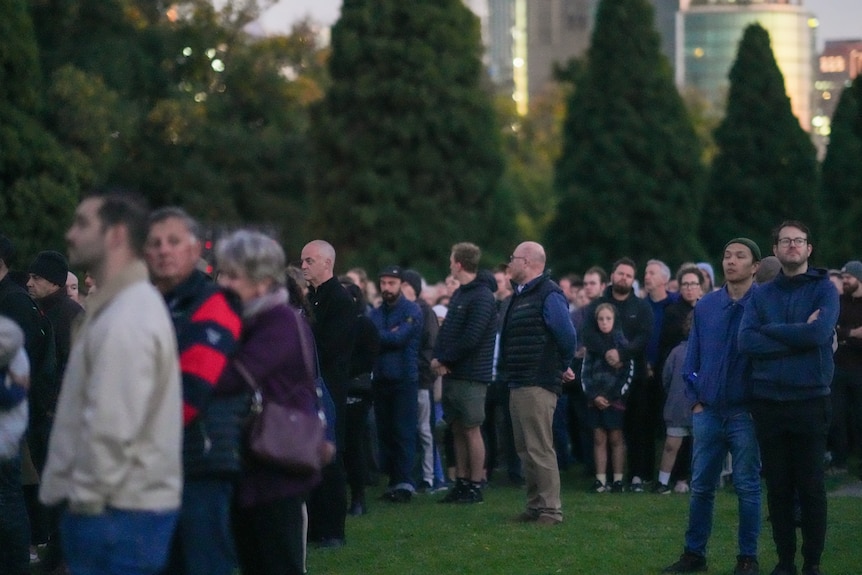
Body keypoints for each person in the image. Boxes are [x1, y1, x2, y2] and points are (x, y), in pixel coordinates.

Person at [40, 191, 182, 575]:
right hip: (114, 512)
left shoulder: (128, 317)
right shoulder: (118, 308)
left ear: (117, 235)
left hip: (116, 515)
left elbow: (112, 429)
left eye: (82, 224)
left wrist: (84, 508)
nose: (71, 234)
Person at [213, 230, 323, 575]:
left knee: (276, 561)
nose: (223, 283)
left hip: (276, 464)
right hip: (254, 461)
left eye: (233, 275)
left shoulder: (278, 321)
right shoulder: (252, 318)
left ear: (260, 279)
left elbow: (234, 377)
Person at [144, 207, 243, 575]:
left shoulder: (213, 303)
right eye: (155, 243)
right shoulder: (151, 304)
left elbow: (190, 394)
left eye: (174, 241)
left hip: (200, 459)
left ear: (194, 249)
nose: (164, 250)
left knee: (203, 564)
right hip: (158, 462)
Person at [739, 221, 839, 575]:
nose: (792, 246)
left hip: (810, 401)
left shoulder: (825, 290)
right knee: (778, 488)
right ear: (776, 249)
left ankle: (811, 562)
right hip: (768, 402)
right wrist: (797, 336)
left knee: (811, 487)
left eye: (799, 241)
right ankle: (785, 562)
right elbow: (746, 341)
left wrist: (773, 332)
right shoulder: (760, 294)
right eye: (785, 241)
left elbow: (818, 334)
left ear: (809, 248)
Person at [662, 237, 763, 575]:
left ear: (755, 266)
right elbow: (693, 357)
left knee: (747, 485)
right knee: (701, 486)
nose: (730, 261)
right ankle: (694, 555)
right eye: (726, 255)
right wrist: (695, 400)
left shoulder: (763, 304)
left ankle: (747, 558)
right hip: (708, 411)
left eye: (740, 256)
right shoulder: (705, 306)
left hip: (745, 413)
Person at [499, 242, 576, 525]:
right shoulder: (522, 295)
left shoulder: (548, 293)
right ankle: (534, 506)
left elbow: (566, 335)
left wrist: (561, 364)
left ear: (528, 262)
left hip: (537, 381)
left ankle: (550, 510)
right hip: (519, 380)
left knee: (540, 447)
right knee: (525, 448)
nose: (510, 263)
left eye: (513, 258)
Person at [26, 250, 85, 572]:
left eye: (36, 278)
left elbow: (74, 367)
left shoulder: (68, 314)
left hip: (57, 416)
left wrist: (51, 407)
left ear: (53, 282)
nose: (30, 283)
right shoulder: (45, 310)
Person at [432, 243, 498, 504]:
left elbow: (472, 338)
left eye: (451, 260)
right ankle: (460, 482)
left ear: (459, 263)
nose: (450, 264)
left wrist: (445, 358)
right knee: (457, 428)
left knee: (472, 429)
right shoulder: (461, 294)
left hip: (472, 375)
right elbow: (448, 331)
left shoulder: (482, 297)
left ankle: (475, 484)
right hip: (454, 373)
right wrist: (439, 358)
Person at [581, 258, 653, 492]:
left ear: (633, 279)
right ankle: (604, 476)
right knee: (604, 431)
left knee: (637, 428)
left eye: (628, 275)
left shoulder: (641, 306)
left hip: (635, 377)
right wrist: (606, 352)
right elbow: (587, 333)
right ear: (612, 275)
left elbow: (644, 336)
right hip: (601, 377)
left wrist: (622, 354)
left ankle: (636, 476)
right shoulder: (597, 304)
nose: (624, 278)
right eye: (620, 273)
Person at [301, 239, 355, 547]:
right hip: (314, 387)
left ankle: (333, 529)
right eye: (303, 261)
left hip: (330, 389)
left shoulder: (339, 299)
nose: (304, 266)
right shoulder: (313, 298)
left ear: (327, 263)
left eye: (309, 261)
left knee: (332, 458)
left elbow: (330, 347)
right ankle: (314, 525)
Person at [369, 266, 423, 502]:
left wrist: (380, 335)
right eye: (383, 283)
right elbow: (370, 337)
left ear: (401, 284)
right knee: (386, 432)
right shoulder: (377, 312)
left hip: (403, 380)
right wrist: (384, 334)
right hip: (381, 379)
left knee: (403, 431)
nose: (387, 288)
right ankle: (394, 480)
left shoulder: (412, 310)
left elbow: (399, 338)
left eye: (391, 283)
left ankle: (405, 482)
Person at [581, 303, 633, 493]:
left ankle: (618, 479)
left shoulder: (622, 344)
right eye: (601, 319)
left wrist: (612, 397)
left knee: (616, 437)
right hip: (595, 400)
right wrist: (594, 396)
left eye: (608, 319)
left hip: (615, 400)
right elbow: (585, 374)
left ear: (614, 320)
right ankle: (601, 480)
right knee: (599, 437)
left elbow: (628, 373)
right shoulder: (592, 345)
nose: (604, 323)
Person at [401, 269, 440, 493]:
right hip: (409, 379)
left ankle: (428, 476)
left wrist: (422, 371)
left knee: (424, 430)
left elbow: (429, 347)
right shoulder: (404, 310)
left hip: (421, 380)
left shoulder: (425, 313)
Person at [0, 316, 30, 575]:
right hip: (10, 436)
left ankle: (16, 564)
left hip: (5, 441)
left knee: (8, 504)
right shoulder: (11, 337)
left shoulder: (6, 338)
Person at [828, 260, 862, 475]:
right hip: (839, 368)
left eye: (848, 277)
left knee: (859, 417)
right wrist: (852, 333)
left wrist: (843, 333)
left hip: (859, 369)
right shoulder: (839, 302)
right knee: (837, 416)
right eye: (843, 278)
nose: (844, 281)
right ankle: (839, 462)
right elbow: (833, 331)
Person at [656, 313, 692, 495]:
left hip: (702, 409)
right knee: (671, 446)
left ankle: (695, 481)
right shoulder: (678, 352)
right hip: (678, 408)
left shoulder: (712, 352)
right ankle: (662, 482)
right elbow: (666, 377)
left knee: (701, 448)